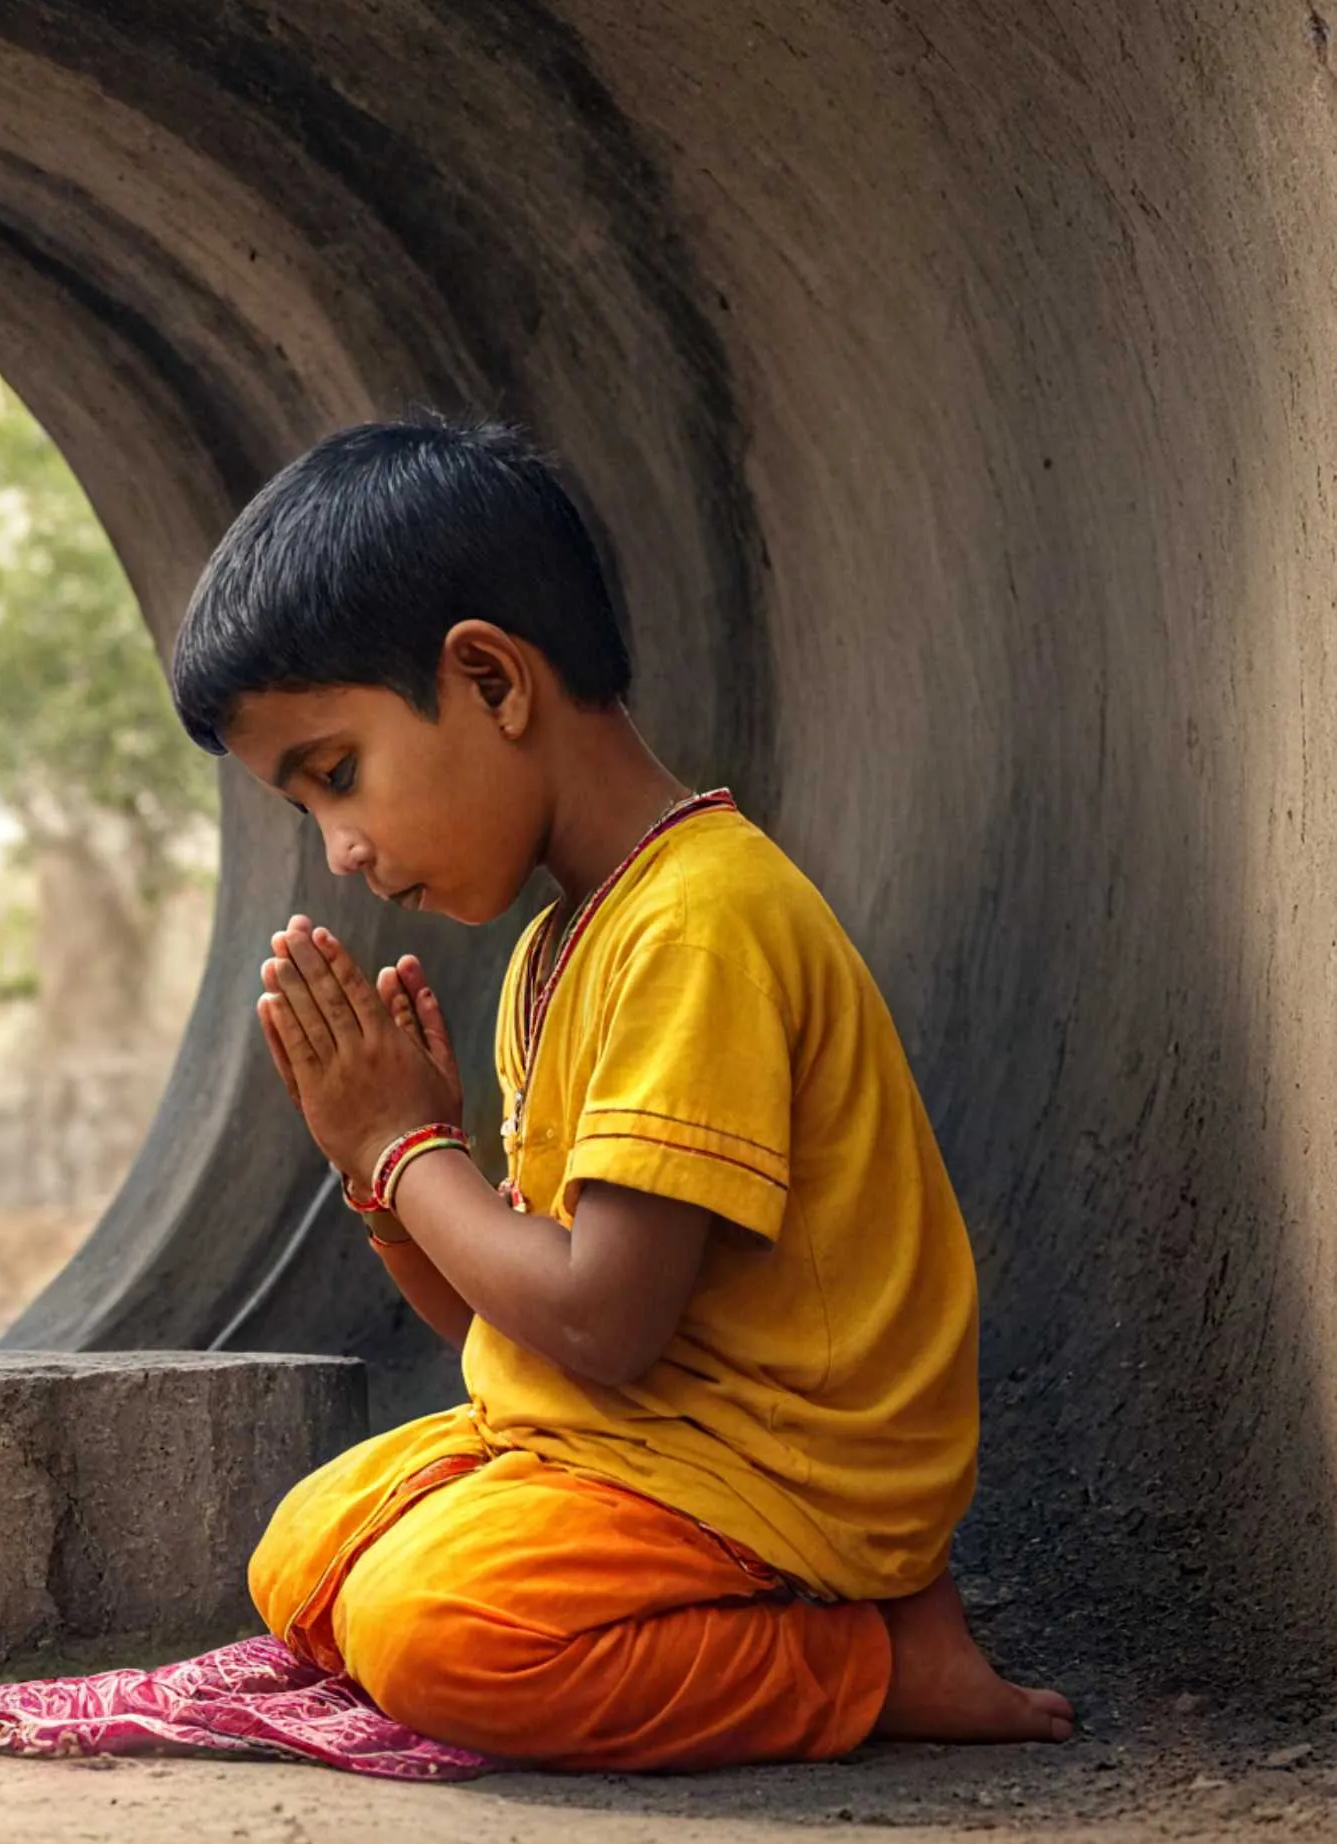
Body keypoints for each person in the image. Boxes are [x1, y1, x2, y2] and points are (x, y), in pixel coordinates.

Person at [168, 417, 1073, 1770]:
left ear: (486, 677)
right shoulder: (559, 942)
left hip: (771, 1478)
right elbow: (515, 1319)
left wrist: (410, 1150)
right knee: (306, 1547)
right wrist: (386, 1179)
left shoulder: (696, 920)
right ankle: (786, 1627)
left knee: (433, 1633)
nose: (341, 850)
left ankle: (873, 1653)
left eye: (334, 773)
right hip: (636, 1441)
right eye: (304, 813)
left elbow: (603, 1320)